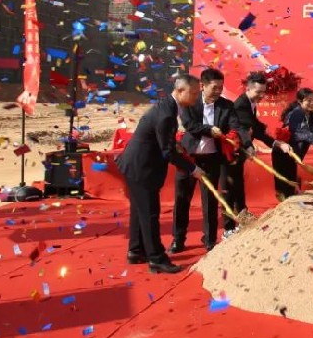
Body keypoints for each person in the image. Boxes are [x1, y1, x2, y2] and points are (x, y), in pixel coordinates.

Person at [116, 73, 204, 274]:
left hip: (137, 164)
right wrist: (193, 169)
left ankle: (136, 250)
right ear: (180, 90)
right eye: (193, 93)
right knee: (149, 213)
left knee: (139, 210)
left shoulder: (168, 107)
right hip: (141, 167)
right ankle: (156, 259)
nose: (195, 97)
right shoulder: (166, 114)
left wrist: (176, 146)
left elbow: (164, 142)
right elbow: (167, 152)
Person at [170, 68, 241, 254]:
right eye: (214, 87)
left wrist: (235, 137)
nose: (218, 91)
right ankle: (178, 239)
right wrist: (209, 130)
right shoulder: (191, 102)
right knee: (182, 199)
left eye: (221, 87)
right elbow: (189, 125)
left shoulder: (227, 106)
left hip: (212, 159)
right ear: (202, 86)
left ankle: (209, 240)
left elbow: (234, 125)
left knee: (209, 201)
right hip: (189, 158)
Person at [229, 72, 291, 231]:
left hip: (240, 148)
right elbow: (242, 129)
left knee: (238, 182)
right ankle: (233, 222)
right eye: (258, 92)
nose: (262, 95)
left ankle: (242, 214)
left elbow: (255, 128)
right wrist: (249, 145)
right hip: (232, 150)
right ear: (248, 89)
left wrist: (275, 143)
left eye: (263, 92)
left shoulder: (250, 103)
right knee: (232, 185)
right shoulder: (241, 105)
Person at [273, 87, 313, 196]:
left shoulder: (309, 113)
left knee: (292, 182)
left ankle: (291, 199)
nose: (312, 103)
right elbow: (302, 132)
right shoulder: (296, 114)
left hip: (294, 153)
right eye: (308, 100)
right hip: (283, 153)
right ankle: (287, 203)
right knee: (286, 183)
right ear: (300, 101)